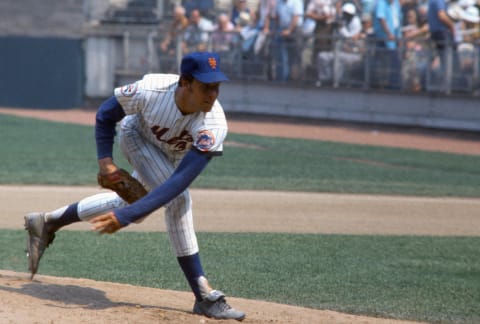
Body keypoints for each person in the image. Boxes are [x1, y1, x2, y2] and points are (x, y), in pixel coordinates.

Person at [24, 51, 246, 321]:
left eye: (217, 87)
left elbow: (180, 180)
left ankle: (47, 221)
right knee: (178, 202)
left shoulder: (214, 124)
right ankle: (203, 295)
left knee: (137, 206)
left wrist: (126, 216)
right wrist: (106, 162)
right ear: (185, 82)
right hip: (136, 137)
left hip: (171, 158)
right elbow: (106, 114)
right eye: (206, 86)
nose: (213, 94)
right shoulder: (150, 90)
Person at [316, 2, 364, 86]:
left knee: (339, 59)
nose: (346, 15)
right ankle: (325, 79)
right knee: (322, 56)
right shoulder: (342, 20)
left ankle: (338, 82)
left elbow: (351, 38)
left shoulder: (356, 22)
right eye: (345, 13)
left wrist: (341, 29)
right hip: (339, 50)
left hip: (352, 52)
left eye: (348, 14)